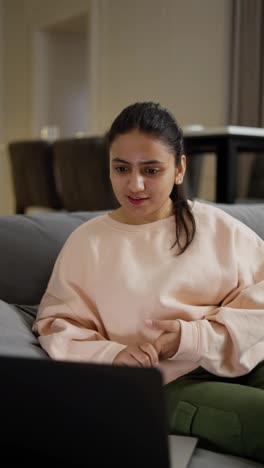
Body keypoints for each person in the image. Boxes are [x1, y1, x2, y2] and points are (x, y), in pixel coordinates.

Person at [33, 102, 264, 464]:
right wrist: (115, 355)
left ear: (179, 169)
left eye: (151, 169)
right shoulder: (88, 242)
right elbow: (56, 325)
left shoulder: (216, 226)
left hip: (245, 358)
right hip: (168, 383)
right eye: (121, 168)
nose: (135, 184)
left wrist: (194, 337)